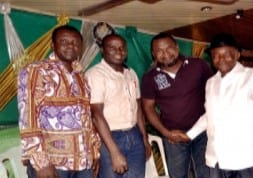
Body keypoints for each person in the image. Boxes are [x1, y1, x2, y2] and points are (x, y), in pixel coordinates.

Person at [178, 32, 253, 178]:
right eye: (216, 55)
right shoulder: (211, 83)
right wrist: (189, 135)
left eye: (227, 54)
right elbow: (210, 115)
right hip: (218, 158)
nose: (221, 59)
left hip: (249, 158)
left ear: (237, 55)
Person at [17, 25, 101, 178]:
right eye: (64, 41)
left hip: (83, 163)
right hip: (53, 164)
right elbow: (27, 118)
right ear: (52, 45)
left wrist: (94, 151)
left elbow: (87, 117)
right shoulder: (36, 71)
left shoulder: (81, 77)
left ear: (81, 47)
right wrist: (41, 163)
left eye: (75, 42)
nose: (70, 45)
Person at [141, 32, 213, 178]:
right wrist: (166, 132)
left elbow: (214, 93)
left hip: (202, 132)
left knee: (207, 173)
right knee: (178, 175)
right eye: (159, 51)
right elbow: (148, 108)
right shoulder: (150, 77)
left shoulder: (198, 65)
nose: (165, 54)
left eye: (168, 48)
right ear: (153, 54)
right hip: (173, 137)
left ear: (177, 47)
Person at [85, 33, 151, 178]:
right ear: (103, 50)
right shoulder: (95, 75)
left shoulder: (131, 73)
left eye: (122, 47)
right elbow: (96, 115)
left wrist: (144, 139)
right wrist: (114, 152)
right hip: (109, 137)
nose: (118, 51)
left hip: (134, 135)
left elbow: (137, 108)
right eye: (112, 47)